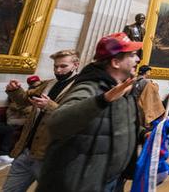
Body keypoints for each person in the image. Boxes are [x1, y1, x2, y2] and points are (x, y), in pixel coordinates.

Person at [37, 33, 142, 192]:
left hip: (110, 180)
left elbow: (120, 122)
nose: (137, 59)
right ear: (115, 62)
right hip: (81, 183)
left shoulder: (123, 87)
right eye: (132, 55)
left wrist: (144, 134)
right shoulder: (89, 86)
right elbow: (57, 122)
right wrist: (103, 99)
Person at [1, 50, 80, 191]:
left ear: (75, 65)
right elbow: (25, 100)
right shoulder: (48, 84)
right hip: (27, 150)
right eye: (55, 66)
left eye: (63, 66)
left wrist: (50, 106)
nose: (58, 70)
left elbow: (76, 116)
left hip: (49, 155)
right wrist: (15, 90)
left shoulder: (80, 88)